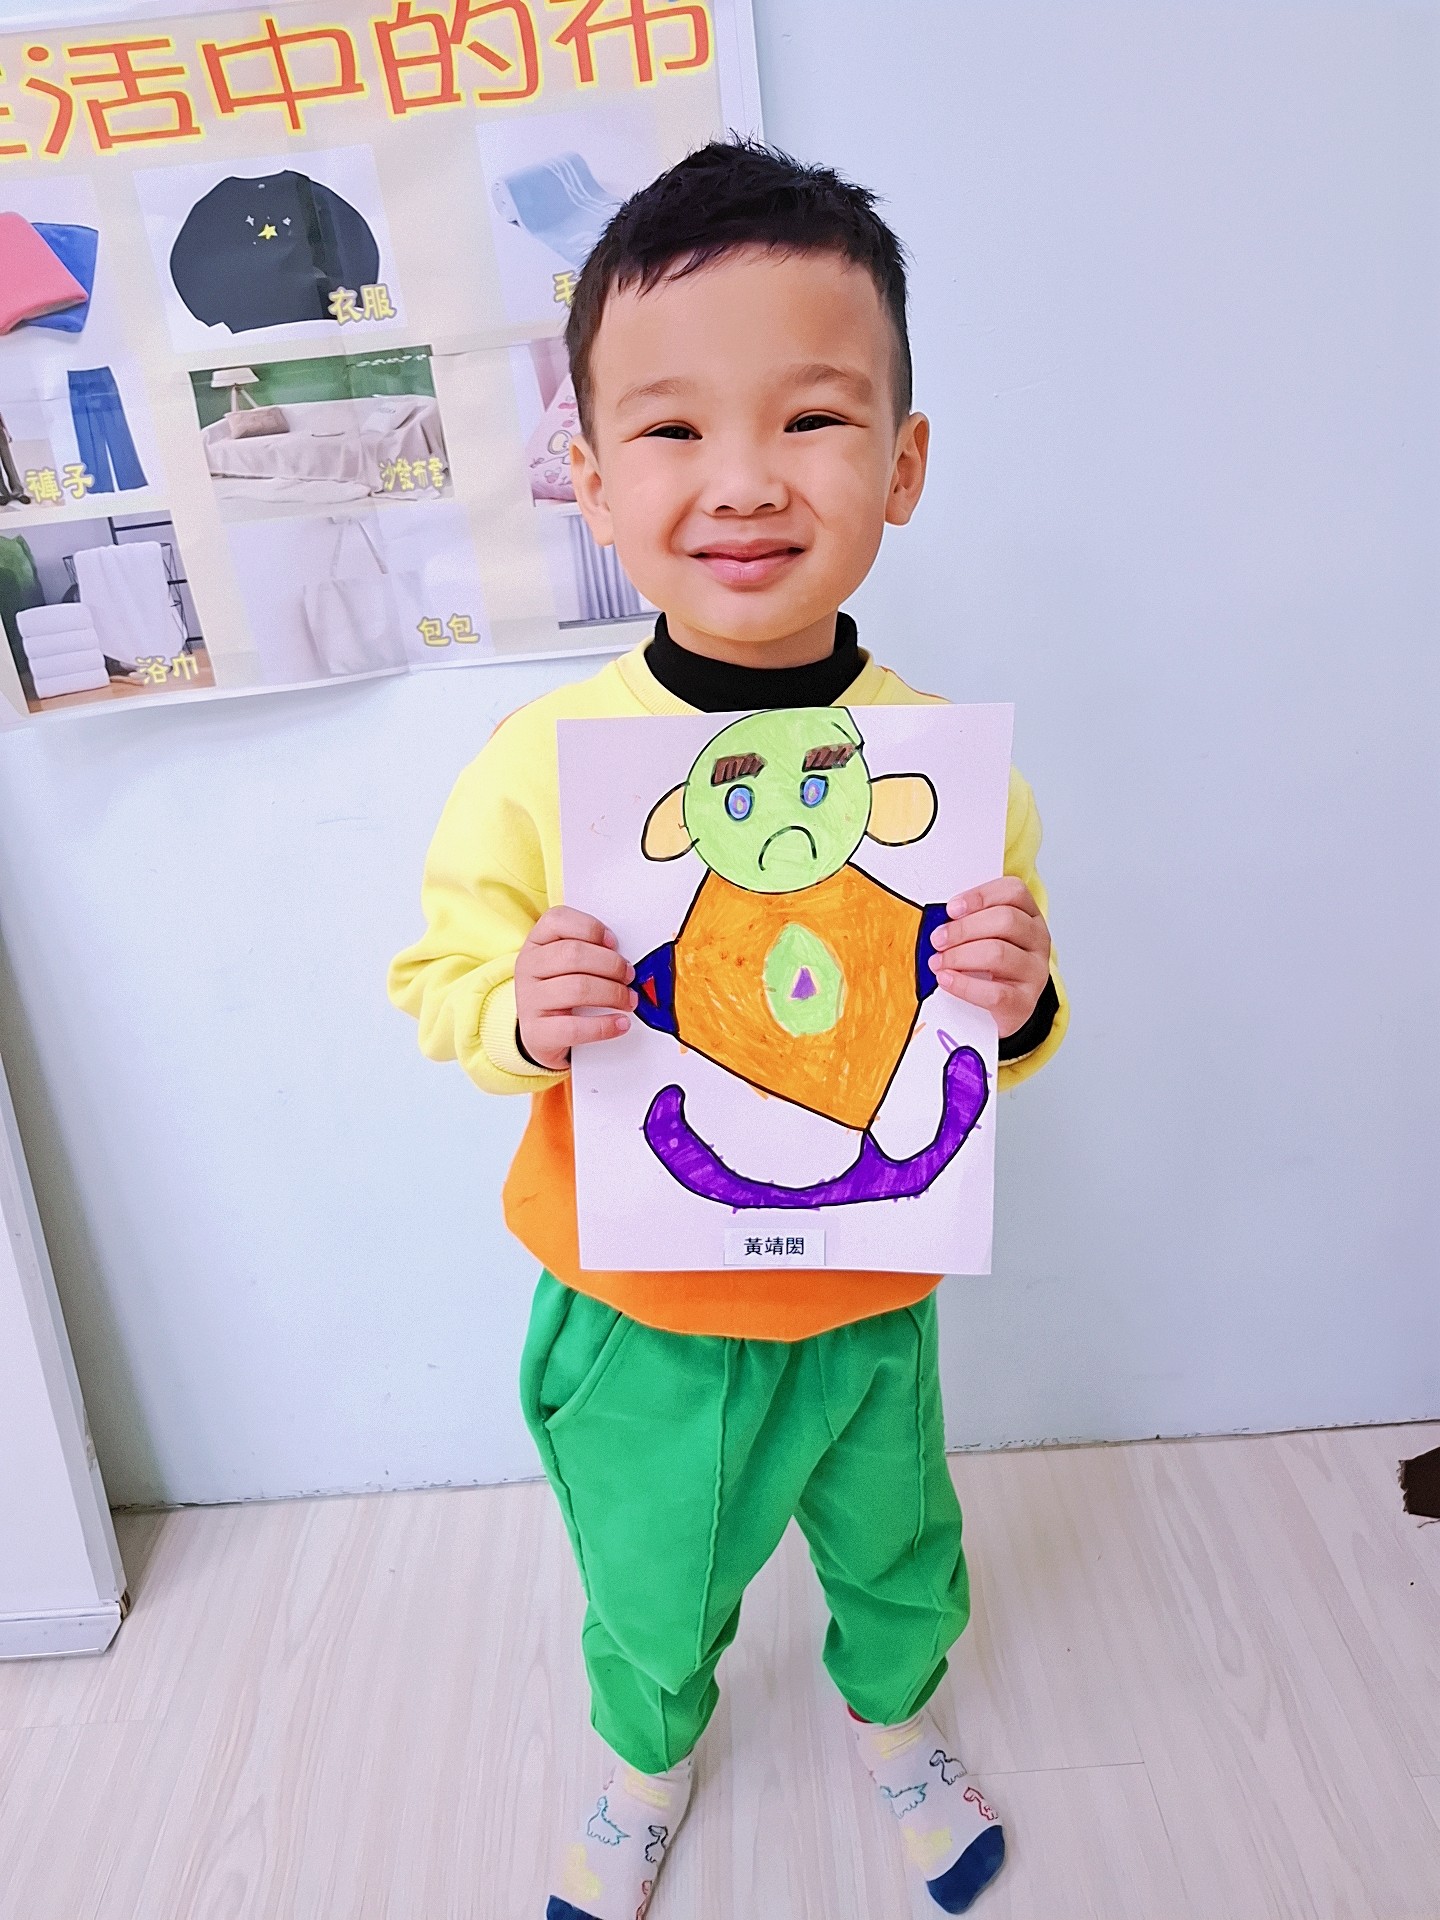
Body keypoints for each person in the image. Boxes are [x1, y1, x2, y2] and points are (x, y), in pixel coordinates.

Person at [389, 139, 1068, 1919]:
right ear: (592, 478)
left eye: (815, 419)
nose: (747, 479)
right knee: (650, 1580)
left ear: (902, 463)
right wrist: (523, 1014)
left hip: (870, 1292)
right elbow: (439, 981)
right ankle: (645, 1763)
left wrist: (1019, 997)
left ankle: (896, 1718)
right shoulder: (543, 765)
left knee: (901, 1547)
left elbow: (995, 1028)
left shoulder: (945, 769)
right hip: (641, 1308)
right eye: (675, 429)